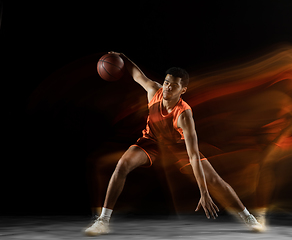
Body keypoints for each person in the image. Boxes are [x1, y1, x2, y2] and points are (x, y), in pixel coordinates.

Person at [85, 52, 264, 236]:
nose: (168, 87)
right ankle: (102, 221)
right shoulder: (154, 91)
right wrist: (121, 56)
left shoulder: (184, 114)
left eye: (174, 85)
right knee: (122, 164)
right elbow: (136, 74)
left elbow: (193, 155)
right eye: (167, 82)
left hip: (178, 148)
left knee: (213, 180)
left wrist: (203, 192)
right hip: (152, 142)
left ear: (183, 90)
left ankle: (248, 218)